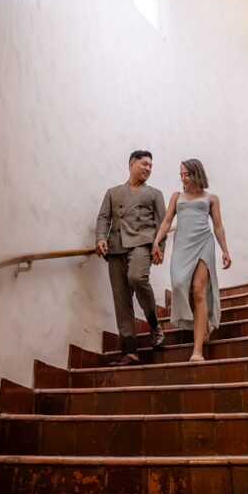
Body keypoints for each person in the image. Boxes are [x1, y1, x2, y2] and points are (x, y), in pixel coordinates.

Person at [152, 158, 231, 363]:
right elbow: (167, 221)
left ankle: (197, 351)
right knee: (179, 284)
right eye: (181, 175)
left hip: (204, 242)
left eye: (187, 174)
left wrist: (225, 250)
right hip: (182, 246)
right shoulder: (176, 196)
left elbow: (218, 226)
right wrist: (156, 242)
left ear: (197, 174)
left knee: (198, 290)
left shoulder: (211, 198)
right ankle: (203, 325)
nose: (183, 178)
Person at [95, 150, 168, 366]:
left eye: (151, 166)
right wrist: (100, 238)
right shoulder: (113, 193)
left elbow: (163, 223)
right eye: (144, 164)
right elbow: (103, 218)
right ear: (131, 164)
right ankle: (130, 352)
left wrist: (160, 247)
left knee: (137, 277)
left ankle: (153, 323)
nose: (148, 168)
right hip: (116, 247)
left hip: (142, 244)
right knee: (121, 299)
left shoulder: (154, 194)